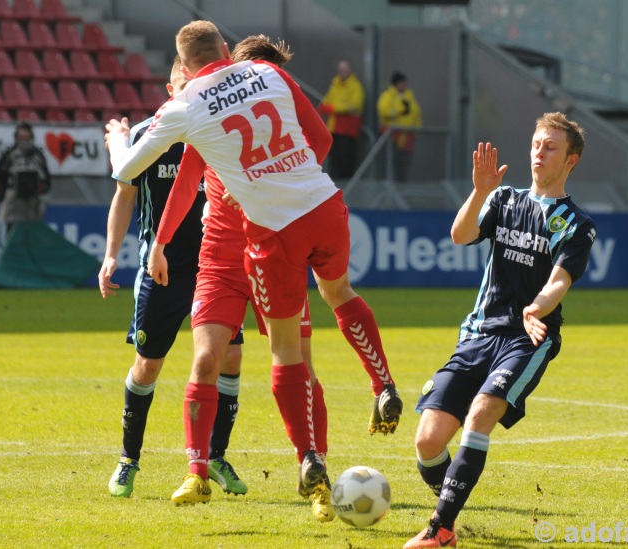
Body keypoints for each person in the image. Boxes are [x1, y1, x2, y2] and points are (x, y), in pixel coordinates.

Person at [105, 20, 402, 520]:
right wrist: (159, 242)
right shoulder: (252, 84)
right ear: (223, 50)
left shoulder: (190, 109)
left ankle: (314, 469)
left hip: (271, 240)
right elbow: (188, 183)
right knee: (220, 354)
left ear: (185, 70)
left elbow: (126, 169)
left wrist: (117, 139)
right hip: (262, 236)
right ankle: (199, 470)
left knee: (292, 359)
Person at [405, 112, 596, 548]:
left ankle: (441, 528)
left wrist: (537, 307)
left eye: (551, 147)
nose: (539, 153)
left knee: (481, 413)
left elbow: (560, 280)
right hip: (478, 333)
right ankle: (451, 499)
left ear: (572, 160)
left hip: (528, 337)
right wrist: (479, 192)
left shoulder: (575, 223)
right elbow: (460, 234)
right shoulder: (505, 199)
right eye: (536, 144)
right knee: (428, 442)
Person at [99, 57, 249, 499]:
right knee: (147, 367)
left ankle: (215, 456)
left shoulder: (219, 130)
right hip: (161, 270)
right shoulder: (151, 135)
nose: (194, 91)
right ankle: (129, 460)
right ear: (170, 88)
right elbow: (124, 194)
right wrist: (111, 257)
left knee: (230, 359)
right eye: (186, 84)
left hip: (215, 266)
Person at [0, 122, 51, 233]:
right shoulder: (9, 155)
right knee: (12, 231)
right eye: (21, 138)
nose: (24, 141)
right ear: (16, 138)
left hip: (33, 201)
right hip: (14, 199)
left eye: (26, 137)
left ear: (31, 137)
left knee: (32, 231)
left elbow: (45, 177)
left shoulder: (38, 155)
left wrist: (43, 191)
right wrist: (1, 196)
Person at [317, 59, 365, 180]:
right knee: (335, 160)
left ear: (350, 70)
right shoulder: (335, 84)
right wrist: (324, 107)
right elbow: (327, 100)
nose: (342, 71)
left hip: (347, 130)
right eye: (340, 69)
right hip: (334, 128)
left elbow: (355, 105)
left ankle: (346, 188)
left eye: (344, 69)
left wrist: (332, 108)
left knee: (346, 160)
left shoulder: (355, 86)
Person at [376, 71, 422, 182]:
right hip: (392, 138)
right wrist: (402, 109)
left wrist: (417, 128)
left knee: (403, 168)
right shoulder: (387, 96)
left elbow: (417, 113)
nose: (404, 85)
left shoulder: (410, 96)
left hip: (407, 139)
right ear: (395, 84)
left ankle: (400, 188)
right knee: (388, 166)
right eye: (401, 83)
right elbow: (384, 111)